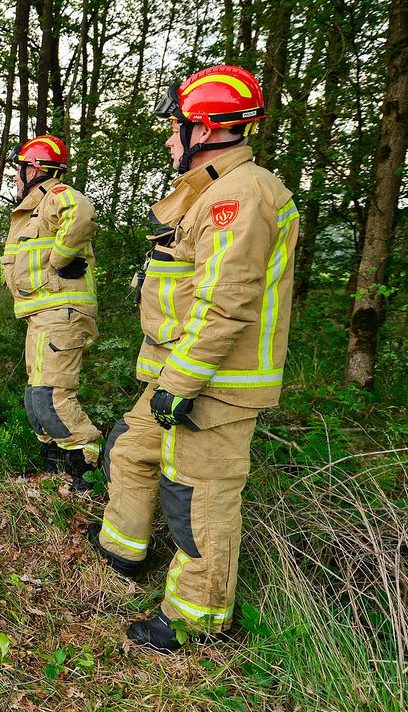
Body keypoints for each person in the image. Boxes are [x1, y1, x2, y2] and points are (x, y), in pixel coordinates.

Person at [90, 64, 299, 652]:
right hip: (180, 370)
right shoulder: (212, 189)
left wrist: (178, 383)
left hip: (215, 382)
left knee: (200, 496)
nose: (167, 137)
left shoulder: (241, 195)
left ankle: (196, 617)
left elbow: (225, 303)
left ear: (204, 129)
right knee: (131, 450)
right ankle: (123, 548)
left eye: (174, 126)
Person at [1, 135, 101, 490]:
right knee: (36, 396)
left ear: (36, 169)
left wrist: (59, 259)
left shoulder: (55, 196)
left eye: (19, 169)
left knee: (52, 395)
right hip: (43, 315)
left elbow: (83, 213)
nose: (15, 177)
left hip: (62, 313)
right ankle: (56, 466)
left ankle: (87, 467)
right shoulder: (31, 210)